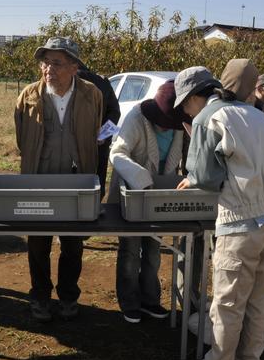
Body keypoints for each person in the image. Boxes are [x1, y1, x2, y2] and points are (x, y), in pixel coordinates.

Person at [175, 66, 264, 360]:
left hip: (242, 222)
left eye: (185, 104)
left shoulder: (207, 118)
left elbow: (208, 178)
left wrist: (193, 174)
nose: (186, 110)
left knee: (228, 305)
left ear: (196, 97)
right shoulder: (260, 116)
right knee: (260, 300)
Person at [14, 36, 103, 322]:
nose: (48, 69)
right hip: (38, 179)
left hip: (77, 180)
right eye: (45, 62)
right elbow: (20, 138)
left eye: (57, 63)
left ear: (74, 67)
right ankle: (40, 296)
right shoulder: (29, 95)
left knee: (73, 243)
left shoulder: (92, 94)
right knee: (38, 242)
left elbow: (95, 134)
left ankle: (68, 295)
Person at [108, 80, 184, 323]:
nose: (166, 128)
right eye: (163, 123)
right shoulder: (136, 117)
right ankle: (129, 302)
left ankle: (150, 300)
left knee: (153, 250)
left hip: (159, 196)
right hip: (133, 193)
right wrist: (141, 178)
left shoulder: (182, 124)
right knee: (130, 249)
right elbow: (117, 153)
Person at [78, 64, 120, 200]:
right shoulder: (102, 81)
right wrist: (103, 134)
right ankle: (95, 208)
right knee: (97, 178)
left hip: (72, 143)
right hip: (98, 143)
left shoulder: (68, 80)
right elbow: (114, 112)